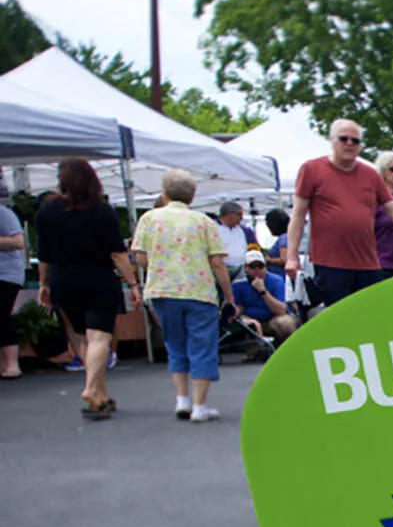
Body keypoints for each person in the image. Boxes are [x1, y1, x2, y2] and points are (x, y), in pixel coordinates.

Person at [34, 159, 138, 419]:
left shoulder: (47, 210)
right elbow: (117, 254)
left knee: (82, 337)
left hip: (63, 279)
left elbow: (44, 255)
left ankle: (100, 397)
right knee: (100, 337)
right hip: (97, 278)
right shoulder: (102, 211)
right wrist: (133, 283)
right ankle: (91, 388)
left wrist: (44, 284)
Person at [287, 119, 393, 307]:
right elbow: (298, 215)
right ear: (332, 141)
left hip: (368, 263)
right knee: (338, 318)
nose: (349, 144)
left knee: (373, 316)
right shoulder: (312, 169)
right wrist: (291, 257)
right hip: (330, 262)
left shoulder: (370, 175)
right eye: (344, 139)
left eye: (355, 141)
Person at [131, 168, 236, 423]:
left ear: (164, 193)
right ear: (193, 196)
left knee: (174, 343)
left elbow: (141, 257)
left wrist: (163, 264)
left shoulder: (149, 219)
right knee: (202, 345)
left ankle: (182, 399)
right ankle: (200, 405)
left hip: (162, 290)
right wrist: (228, 296)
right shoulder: (203, 222)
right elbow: (218, 263)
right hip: (198, 291)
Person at [232, 248, 299, 348]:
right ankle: (254, 351)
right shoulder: (238, 284)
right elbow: (237, 309)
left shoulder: (276, 280)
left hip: (272, 319)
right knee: (249, 325)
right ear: (245, 268)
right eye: (252, 266)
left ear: (265, 267)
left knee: (285, 323)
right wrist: (247, 320)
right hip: (252, 320)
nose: (257, 270)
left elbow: (281, 310)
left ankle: (286, 348)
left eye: (260, 266)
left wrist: (263, 291)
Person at [0, 181, 24, 379]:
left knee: (1, 316)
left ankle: (12, 364)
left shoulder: (3, 213)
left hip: (6, 274)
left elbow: (18, 242)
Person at [214, 201, 250, 278]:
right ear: (229, 214)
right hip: (223, 271)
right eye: (239, 214)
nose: (241, 218)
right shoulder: (214, 228)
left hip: (241, 270)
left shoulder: (240, 230)